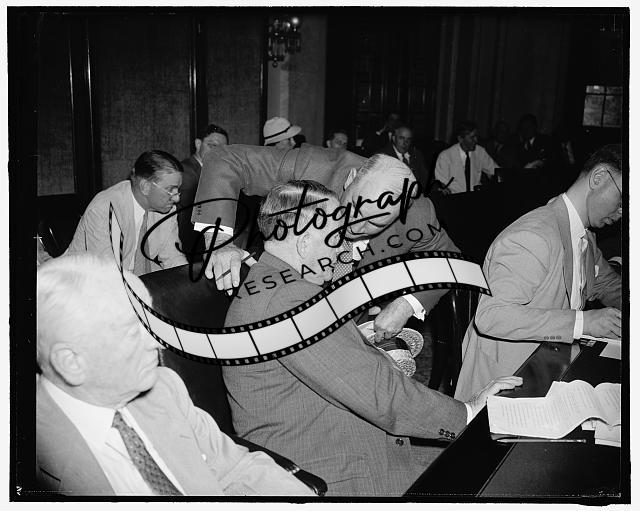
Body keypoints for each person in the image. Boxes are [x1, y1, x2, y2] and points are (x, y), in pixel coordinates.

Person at [223, 181, 523, 496]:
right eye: (336, 236)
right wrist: (469, 413)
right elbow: (379, 393)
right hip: (331, 471)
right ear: (304, 242)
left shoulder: (275, 284)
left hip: (346, 441)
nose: (343, 249)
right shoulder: (289, 301)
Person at [35, 253, 315, 496]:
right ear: (71, 363)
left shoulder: (163, 387)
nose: (159, 343)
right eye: (133, 332)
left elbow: (236, 467)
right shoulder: (32, 464)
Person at [192, 146, 461, 341]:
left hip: (348, 323)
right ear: (350, 179)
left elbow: (450, 261)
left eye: (375, 223)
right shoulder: (314, 168)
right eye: (355, 210)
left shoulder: (416, 215)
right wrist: (218, 240)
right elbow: (224, 159)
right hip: (276, 298)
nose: (355, 227)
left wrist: (406, 304)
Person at [454, 145, 623, 401]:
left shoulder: (584, 234)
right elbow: (492, 316)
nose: (623, 212)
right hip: (507, 380)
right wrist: (584, 323)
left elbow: (609, 285)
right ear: (598, 178)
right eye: (622, 201)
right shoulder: (533, 236)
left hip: (550, 363)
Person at [66, 150, 186, 276]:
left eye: (177, 189)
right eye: (170, 190)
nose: (176, 198)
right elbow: (107, 274)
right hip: (87, 280)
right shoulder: (104, 210)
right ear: (145, 186)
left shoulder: (167, 210)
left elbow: (173, 257)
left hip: (136, 277)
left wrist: (189, 283)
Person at [177, 124, 229, 258]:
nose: (218, 152)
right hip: (190, 247)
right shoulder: (185, 171)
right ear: (198, 144)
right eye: (213, 145)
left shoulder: (215, 171)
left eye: (223, 149)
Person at [434, 120, 497, 195]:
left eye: (476, 136)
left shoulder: (480, 152)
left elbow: (495, 171)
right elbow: (441, 184)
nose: (476, 140)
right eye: (472, 137)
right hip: (454, 198)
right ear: (460, 139)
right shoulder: (445, 157)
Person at [380, 125, 431, 191]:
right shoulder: (383, 156)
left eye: (408, 139)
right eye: (401, 138)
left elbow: (425, 178)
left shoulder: (416, 154)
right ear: (394, 138)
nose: (405, 143)